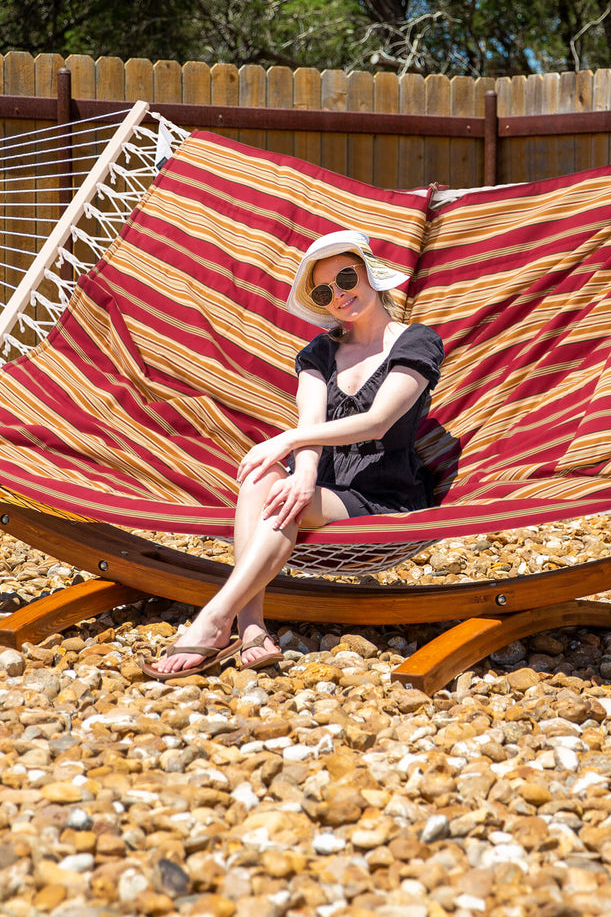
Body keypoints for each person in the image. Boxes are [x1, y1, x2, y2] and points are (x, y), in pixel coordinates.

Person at [143, 229, 445, 679]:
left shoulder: (416, 341)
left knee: (276, 478)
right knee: (264, 479)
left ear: (369, 274)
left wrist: (286, 442)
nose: (340, 295)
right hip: (324, 485)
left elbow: (379, 420)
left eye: (346, 278)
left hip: (383, 492)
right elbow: (311, 422)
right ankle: (251, 627)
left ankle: (215, 617)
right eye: (326, 291)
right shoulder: (320, 353)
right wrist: (303, 472)